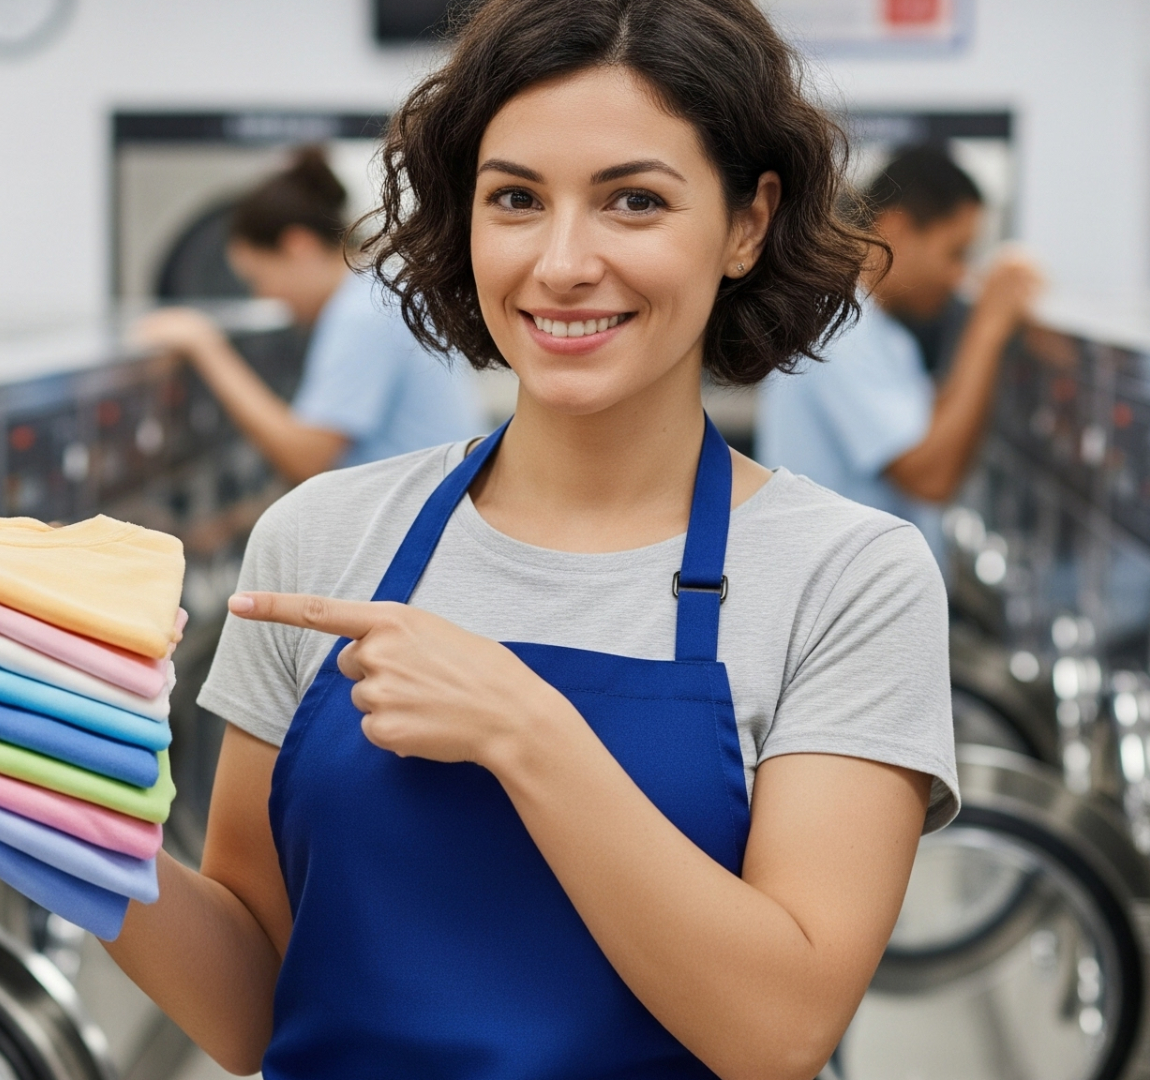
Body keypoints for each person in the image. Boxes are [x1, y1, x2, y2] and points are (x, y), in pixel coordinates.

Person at [104, 1, 958, 1076]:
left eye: (633, 202)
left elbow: (779, 1031)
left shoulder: (850, 579)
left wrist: (524, 731)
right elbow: (252, 1005)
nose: (561, 264)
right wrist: (60, 825)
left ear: (747, 223)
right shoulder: (324, 537)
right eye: (515, 199)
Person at [134, 147, 483, 483]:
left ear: (298, 246)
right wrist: (232, 523)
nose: (263, 296)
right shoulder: (377, 289)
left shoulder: (364, 313)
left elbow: (307, 459)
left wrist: (206, 345)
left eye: (259, 278)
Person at [756, 144, 1045, 549]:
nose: (959, 277)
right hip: (845, 603)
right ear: (897, 229)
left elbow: (927, 430)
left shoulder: (876, 329)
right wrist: (988, 328)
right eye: (955, 253)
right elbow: (930, 476)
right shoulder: (837, 329)